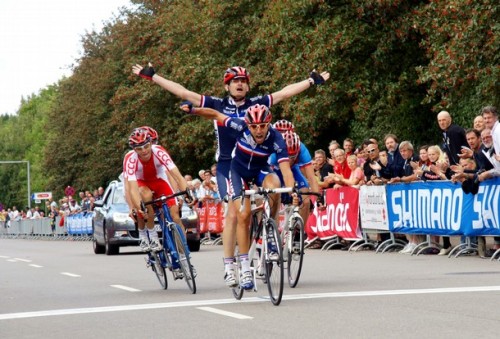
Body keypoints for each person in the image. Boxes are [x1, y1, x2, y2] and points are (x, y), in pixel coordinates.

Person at [133, 63, 329, 288]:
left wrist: (311, 81)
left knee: (274, 188)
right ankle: (231, 265)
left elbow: (284, 92)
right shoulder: (219, 104)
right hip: (229, 165)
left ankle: (271, 232)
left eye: (243, 80)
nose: (239, 83)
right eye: (235, 81)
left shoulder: (258, 105)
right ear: (227, 86)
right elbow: (184, 93)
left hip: (258, 163)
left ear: (248, 86)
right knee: (237, 214)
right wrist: (155, 77)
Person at [181, 102, 295, 290]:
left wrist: (290, 191)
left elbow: (286, 170)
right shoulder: (240, 125)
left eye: (262, 126)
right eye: (254, 127)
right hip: (237, 172)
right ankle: (244, 268)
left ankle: (270, 231)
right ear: (248, 125)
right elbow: (216, 114)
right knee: (243, 214)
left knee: (275, 184)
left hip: (260, 170)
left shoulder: (277, 139)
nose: (258, 131)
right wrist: (194, 110)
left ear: (269, 124)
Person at [123, 127, 190, 253]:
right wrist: (135, 207)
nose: (144, 151)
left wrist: (186, 194)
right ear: (134, 149)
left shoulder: (159, 151)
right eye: (139, 149)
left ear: (151, 143)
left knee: (175, 215)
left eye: (147, 146)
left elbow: (177, 176)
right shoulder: (130, 159)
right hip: (140, 182)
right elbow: (131, 188)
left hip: (158, 180)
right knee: (145, 197)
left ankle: (184, 254)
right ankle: (151, 235)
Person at [269, 130, 322, 224]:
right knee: (274, 198)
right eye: (287, 156)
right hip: (276, 170)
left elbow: (311, 177)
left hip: (294, 169)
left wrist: (319, 198)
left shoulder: (303, 150)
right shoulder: (274, 153)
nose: (289, 160)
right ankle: (272, 227)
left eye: (293, 157)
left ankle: (300, 233)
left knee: (306, 200)